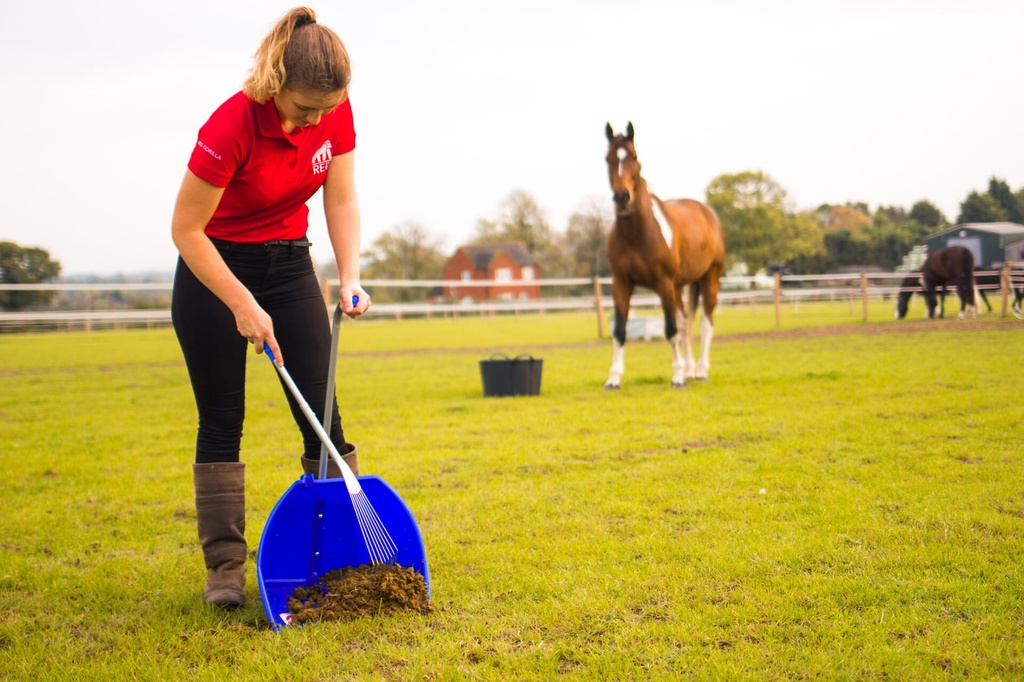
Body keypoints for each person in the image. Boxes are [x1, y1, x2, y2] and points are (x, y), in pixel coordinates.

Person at [170, 6, 369, 609]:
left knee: (322, 415)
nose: (315, 120)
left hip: (289, 266)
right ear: (277, 80)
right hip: (216, 269)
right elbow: (186, 230)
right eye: (305, 108)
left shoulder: (332, 110)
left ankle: (341, 552)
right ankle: (225, 571)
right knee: (222, 418)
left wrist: (350, 276)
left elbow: (341, 199)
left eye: (327, 109)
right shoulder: (231, 124)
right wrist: (240, 303)